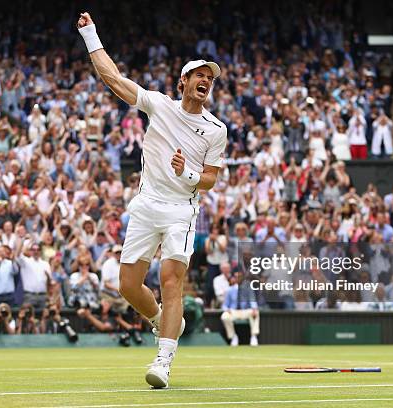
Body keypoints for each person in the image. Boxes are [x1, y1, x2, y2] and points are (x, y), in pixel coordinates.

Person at [77, 12, 226, 388]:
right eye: (199, 76)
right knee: (128, 285)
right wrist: (91, 34)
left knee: (171, 280)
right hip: (146, 206)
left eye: (210, 79)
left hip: (181, 211)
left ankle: (164, 359)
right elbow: (112, 79)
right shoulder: (159, 105)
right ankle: (162, 321)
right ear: (184, 82)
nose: (205, 82)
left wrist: (187, 174)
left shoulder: (216, 129)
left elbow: (209, 179)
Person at [220, 272, 260, 347]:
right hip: (234, 311)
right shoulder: (229, 290)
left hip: (245, 311)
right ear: (234, 279)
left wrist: (254, 308)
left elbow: (252, 300)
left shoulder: (248, 288)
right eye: (236, 277)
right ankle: (233, 337)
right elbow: (224, 305)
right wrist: (227, 309)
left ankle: (254, 336)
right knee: (224, 316)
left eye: (240, 277)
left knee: (256, 312)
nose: (238, 278)